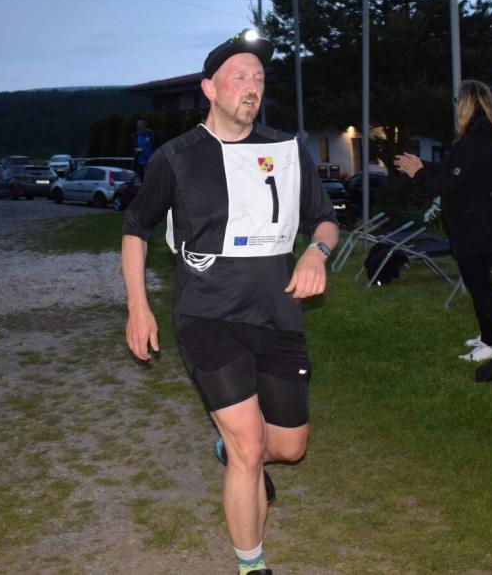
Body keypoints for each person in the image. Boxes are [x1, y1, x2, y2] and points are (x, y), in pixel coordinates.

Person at [121, 30, 338, 575]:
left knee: (288, 448)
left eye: (258, 78)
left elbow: (325, 220)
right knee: (247, 445)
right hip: (207, 316)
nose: (251, 87)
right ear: (210, 89)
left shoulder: (286, 151)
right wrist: (139, 307)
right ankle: (251, 565)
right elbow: (135, 228)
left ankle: (232, 452)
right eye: (239, 77)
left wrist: (316, 253)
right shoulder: (177, 158)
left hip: (277, 315)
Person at [394, 79, 492, 363]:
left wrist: (417, 173)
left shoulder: (474, 142)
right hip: (482, 222)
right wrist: (424, 165)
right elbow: (454, 171)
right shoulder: (482, 137)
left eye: (458, 100)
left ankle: (491, 343)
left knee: (479, 284)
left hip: (476, 226)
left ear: (468, 104)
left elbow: (446, 185)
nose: (455, 105)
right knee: (482, 283)